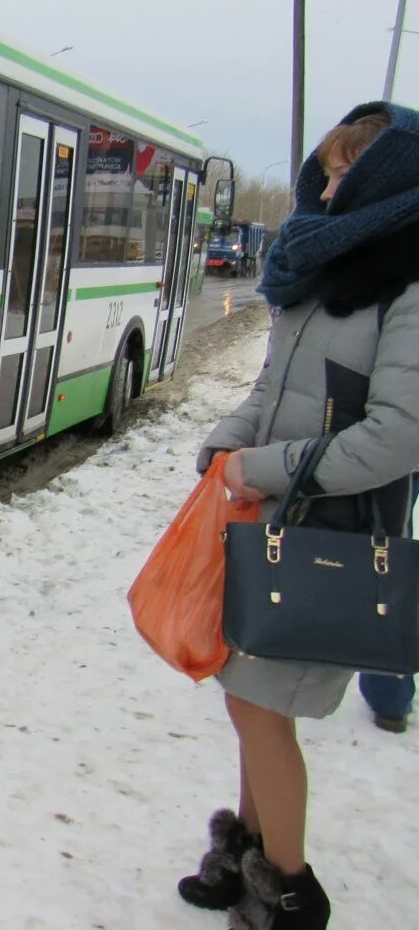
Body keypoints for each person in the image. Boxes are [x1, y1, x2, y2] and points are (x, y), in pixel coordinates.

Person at [175, 102, 419, 929]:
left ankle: (287, 889)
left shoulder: (408, 288)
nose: (330, 180)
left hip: (330, 541)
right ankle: (247, 850)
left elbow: (395, 438)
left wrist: (264, 467)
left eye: (350, 167)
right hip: (268, 527)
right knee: (249, 697)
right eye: (330, 165)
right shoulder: (319, 275)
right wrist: (224, 445)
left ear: (392, 177)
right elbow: (268, 395)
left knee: (259, 707)